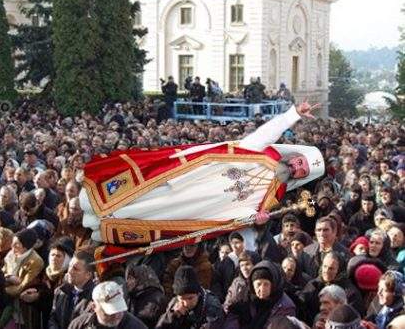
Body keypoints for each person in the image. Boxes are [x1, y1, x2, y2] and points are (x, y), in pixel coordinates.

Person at [81, 101, 324, 248]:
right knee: (148, 192)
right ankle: (94, 202)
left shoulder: (274, 197)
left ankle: (103, 223)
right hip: (192, 178)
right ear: (294, 155)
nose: (297, 168)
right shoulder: (262, 151)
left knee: (156, 213)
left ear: (301, 177)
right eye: (300, 162)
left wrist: (254, 218)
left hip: (201, 207)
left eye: (302, 171)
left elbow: (238, 216)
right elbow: (268, 131)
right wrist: (294, 114)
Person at [224, 260, 296, 329]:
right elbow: (232, 317)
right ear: (252, 285)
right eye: (258, 284)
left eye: (266, 284)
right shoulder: (243, 297)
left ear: (273, 285)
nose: (262, 289)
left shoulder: (285, 306)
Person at [156, 265, 223, 329]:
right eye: (182, 298)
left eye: (190, 298)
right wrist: (173, 316)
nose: (185, 303)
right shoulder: (175, 303)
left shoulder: (212, 306)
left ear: (198, 294)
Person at [68, 281, 148, 329]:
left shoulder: (136, 327)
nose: (116, 315)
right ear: (94, 306)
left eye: (119, 309)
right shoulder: (79, 324)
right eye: (110, 312)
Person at [49, 251, 96, 329]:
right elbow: (53, 318)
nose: (70, 271)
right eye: (70, 266)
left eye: (75, 269)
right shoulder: (60, 291)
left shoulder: (95, 297)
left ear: (88, 275)